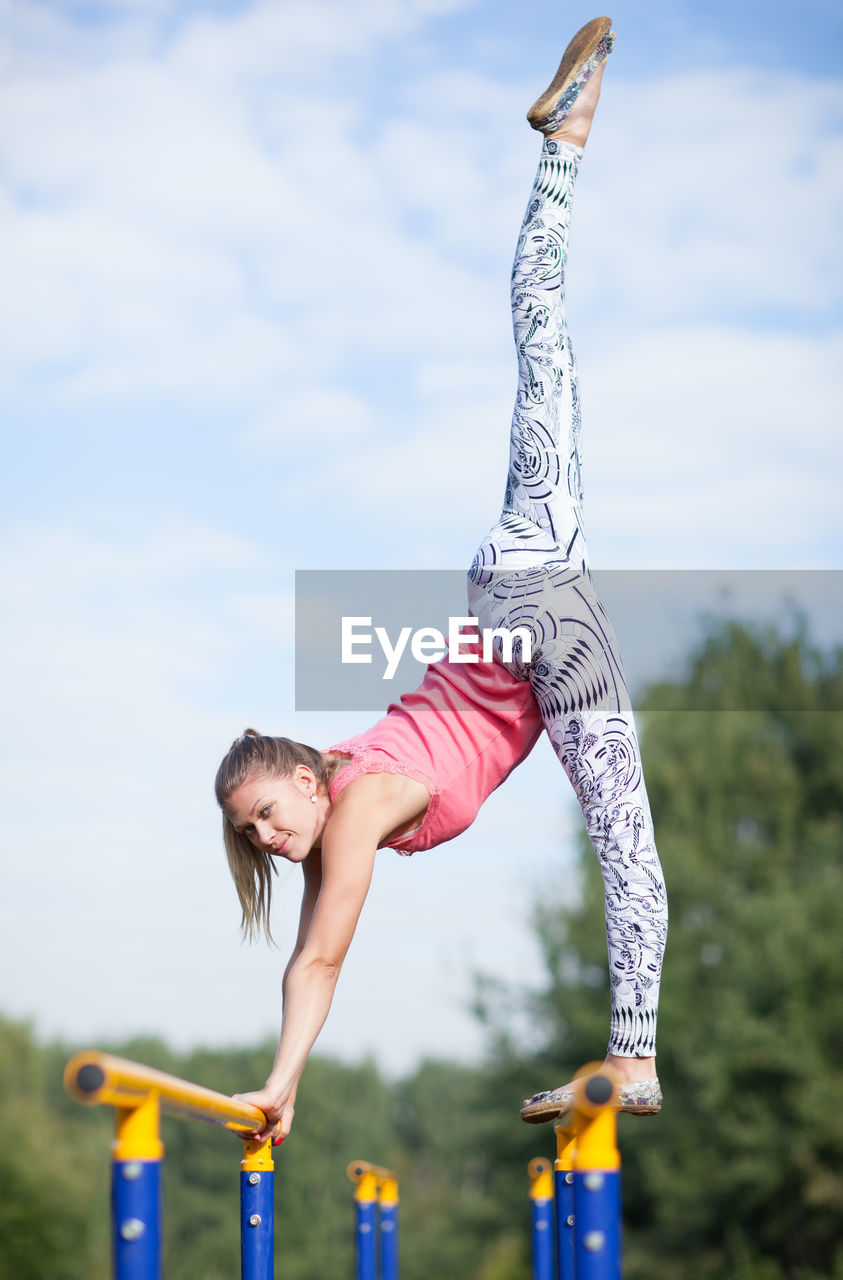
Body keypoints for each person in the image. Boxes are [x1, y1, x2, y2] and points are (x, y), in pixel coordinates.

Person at [216, 16, 668, 1144]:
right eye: (252, 837)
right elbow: (312, 943)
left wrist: (284, 1080)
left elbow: (321, 952)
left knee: (629, 843)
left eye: (268, 815)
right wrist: (287, 1076)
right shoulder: (352, 791)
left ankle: (637, 1050)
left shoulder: (360, 800)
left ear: (308, 781)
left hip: (536, 605)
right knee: (539, 343)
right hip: (521, 588)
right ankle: (567, 142)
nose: (271, 840)